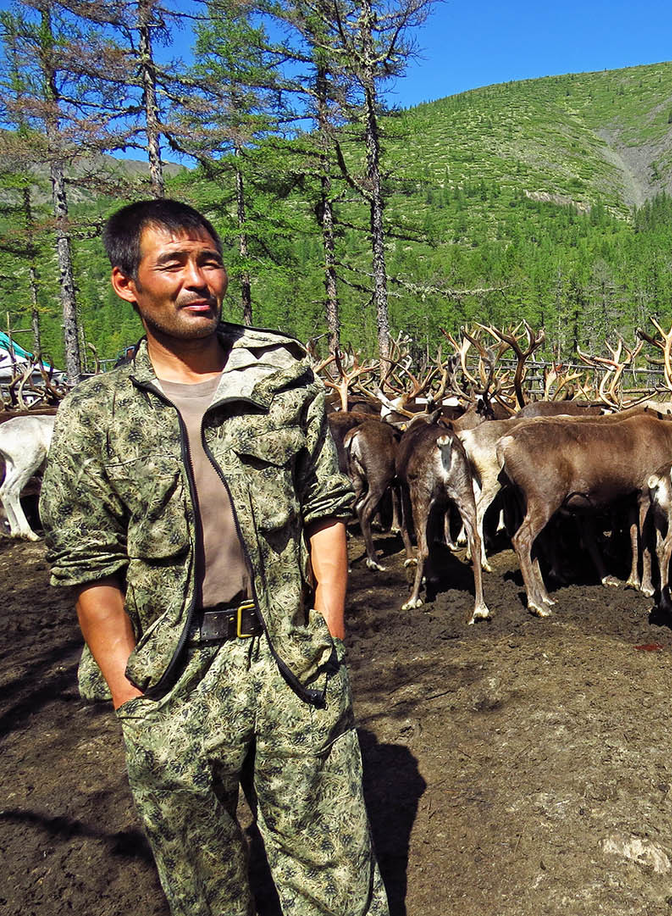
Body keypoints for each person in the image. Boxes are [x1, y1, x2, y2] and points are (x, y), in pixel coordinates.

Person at [39, 199, 390, 916]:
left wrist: (330, 627)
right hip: (171, 678)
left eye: (209, 261)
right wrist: (128, 690)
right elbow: (86, 563)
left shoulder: (279, 381)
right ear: (125, 284)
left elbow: (325, 508)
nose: (198, 279)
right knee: (206, 892)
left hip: (291, 660)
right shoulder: (96, 412)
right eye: (173, 264)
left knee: (337, 878)